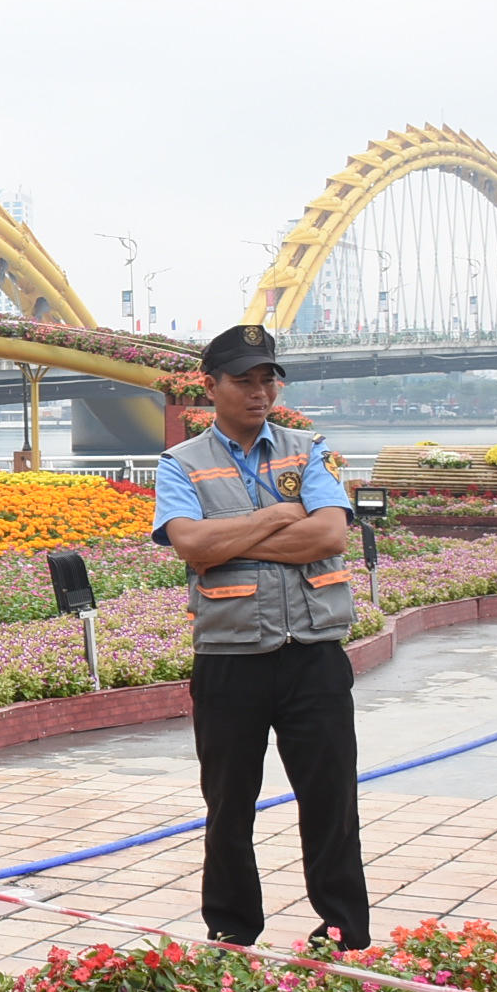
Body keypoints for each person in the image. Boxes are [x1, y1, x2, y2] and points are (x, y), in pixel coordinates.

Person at [151, 323, 367, 952]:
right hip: (230, 658)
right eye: (243, 380)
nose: (259, 392)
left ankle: (344, 932)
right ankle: (231, 930)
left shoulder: (309, 450)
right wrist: (277, 515)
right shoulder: (180, 463)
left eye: (268, 379)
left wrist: (231, 538)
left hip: (315, 655)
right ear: (210, 386)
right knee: (229, 804)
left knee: (331, 801)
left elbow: (329, 535)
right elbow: (192, 545)